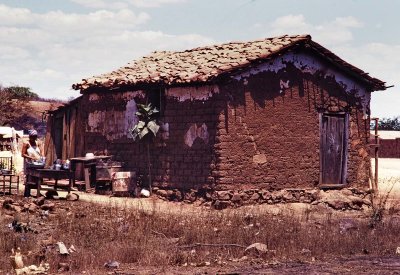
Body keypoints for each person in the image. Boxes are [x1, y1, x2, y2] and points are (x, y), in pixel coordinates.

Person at [21, 129, 43, 197]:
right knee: (29, 178)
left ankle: (38, 192)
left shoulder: (38, 143)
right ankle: (27, 193)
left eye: (35, 136)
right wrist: (30, 157)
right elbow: (22, 154)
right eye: (33, 136)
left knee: (37, 178)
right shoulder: (26, 144)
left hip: (37, 163)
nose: (34, 138)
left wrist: (41, 158)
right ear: (30, 137)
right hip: (29, 163)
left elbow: (41, 152)